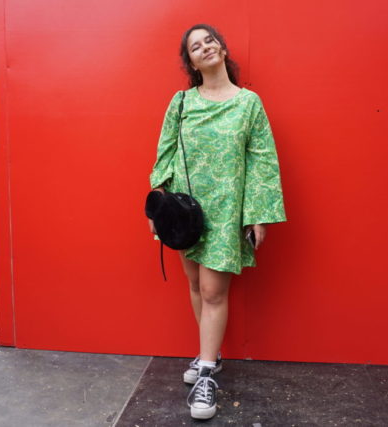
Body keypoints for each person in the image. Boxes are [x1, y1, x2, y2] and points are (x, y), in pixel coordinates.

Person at [148, 24, 286, 420]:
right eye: (196, 46)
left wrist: (257, 214)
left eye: (210, 40)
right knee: (195, 284)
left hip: (226, 210)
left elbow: (261, 160)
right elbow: (165, 151)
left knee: (212, 291)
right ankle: (211, 354)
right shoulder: (181, 102)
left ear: (222, 49)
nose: (205, 47)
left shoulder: (248, 103)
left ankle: (207, 373)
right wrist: (158, 207)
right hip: (184, 209)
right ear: (191, 62)